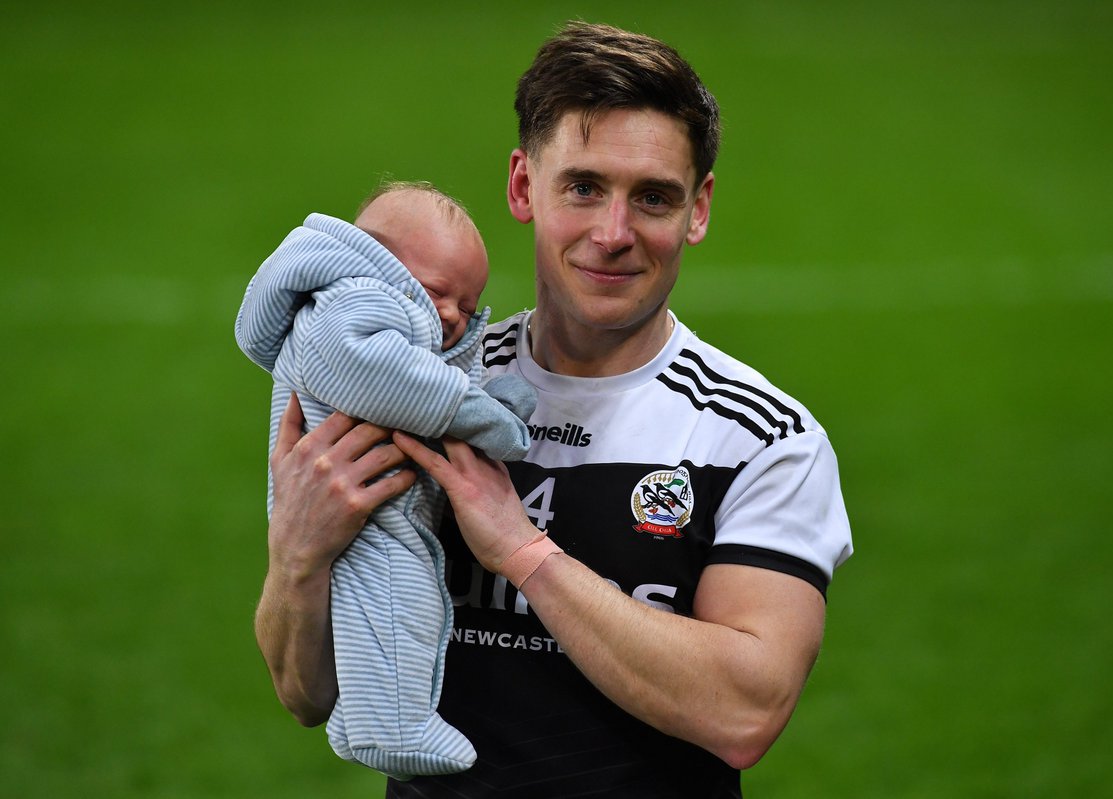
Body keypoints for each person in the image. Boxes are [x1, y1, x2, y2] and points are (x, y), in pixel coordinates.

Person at [255, 22, 853, 798]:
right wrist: (298, 558)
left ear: (697, 210)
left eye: (653, 198)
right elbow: (308, 695)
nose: (613, 233)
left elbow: (744, 712)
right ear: (521, 186)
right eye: (583, 187)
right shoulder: (418, 386)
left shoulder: (760, 438)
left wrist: (524, 552)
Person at [236, 182, 535, 780]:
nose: (452, 317)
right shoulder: (350, 305)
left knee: (393, 607)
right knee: (400, 599)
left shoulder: (402, 324)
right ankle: (392, 726)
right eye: (435, 294)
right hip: (366, 510)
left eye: (470, 307)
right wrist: (488, 419)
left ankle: (370, 719)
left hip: (377, 499)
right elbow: (397, 380)